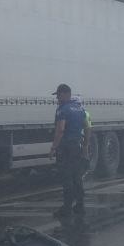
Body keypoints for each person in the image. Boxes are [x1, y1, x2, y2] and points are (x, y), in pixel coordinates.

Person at [49, 83, 91, 216]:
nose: (57, 98)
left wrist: (53, 147)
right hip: (77, 147)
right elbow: (87, 128)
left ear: (64, 94)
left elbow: (60, 129)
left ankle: (66, 208)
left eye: (58, 95)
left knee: (66, 177)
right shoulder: (80, 109)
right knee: (77, 177)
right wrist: (85, 146)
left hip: (66, 148)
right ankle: (80, 205)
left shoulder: (62, 110)